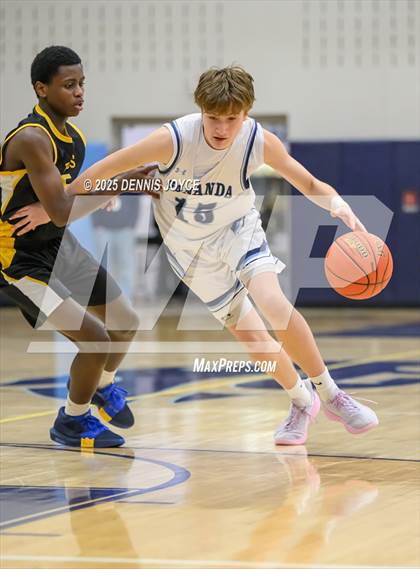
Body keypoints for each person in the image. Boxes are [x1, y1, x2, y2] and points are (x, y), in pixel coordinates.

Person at [57, 65, 379, 444]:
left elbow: (306, 181)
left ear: (246, 113)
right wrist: (65, 198)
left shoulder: (259, 141)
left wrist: (336, 204)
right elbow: (107, 167)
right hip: (191, 252)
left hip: (237, 231)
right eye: (213, 117)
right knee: (255, 341)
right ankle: (301, 401)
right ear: (200, 110)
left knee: (273, 302)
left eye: (232, 118)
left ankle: (331, 394)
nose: (222, 128)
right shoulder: (174, 139)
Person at [0, 46, 149, 448]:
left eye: (82, 83)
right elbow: (65, 210)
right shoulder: (32, 138)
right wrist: (120, 185)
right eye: (69, 85)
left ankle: (100, 386)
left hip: (58, 246)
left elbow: (67, 197)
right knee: (95, 338)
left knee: (125, 321)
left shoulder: (75, 138)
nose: (79, 92)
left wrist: (108, 187)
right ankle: (72, 420)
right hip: (19, 258)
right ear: (41, 89)